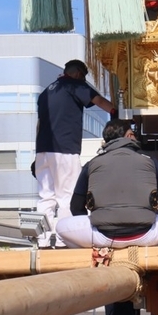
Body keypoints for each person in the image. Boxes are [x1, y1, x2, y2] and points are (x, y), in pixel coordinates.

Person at [55, 121, 158, 249]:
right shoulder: (150, 161)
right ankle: (151, 254)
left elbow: (76, 207)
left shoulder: (91, 164)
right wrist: (152, 214)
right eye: (133, 134)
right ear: (128, 136)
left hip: (103, 237)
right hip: (146, 235)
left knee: (60, 227)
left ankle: (94, 256)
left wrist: (96, 221)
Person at [35, 59, 113, 240]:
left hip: (42, 150)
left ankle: (42, 239)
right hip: (64, 149)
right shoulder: (75, 85)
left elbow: (39, 125)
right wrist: (116, 112)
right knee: (67, 196)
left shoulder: (46, 92)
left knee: (45, 197)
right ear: (78, 73)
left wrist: (38, 152)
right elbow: (100, 101)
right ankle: (65, 239)